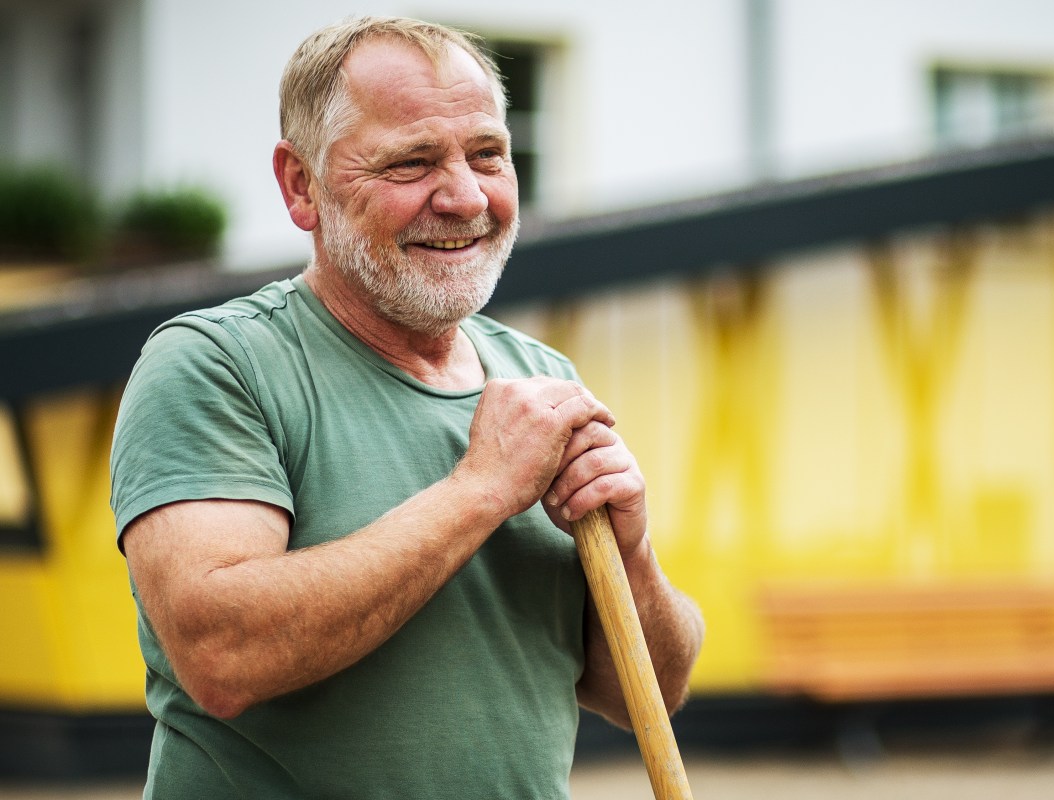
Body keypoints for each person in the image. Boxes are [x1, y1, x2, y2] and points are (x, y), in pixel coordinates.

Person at [109, 15, 704, 800]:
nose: (464, 197)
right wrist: (482, 490)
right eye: (411, 162)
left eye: (488, 153)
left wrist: (630, 549)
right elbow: (224, 654)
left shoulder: (539, 376)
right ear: (301, 186)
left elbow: (647, 695)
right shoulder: (217, 366)